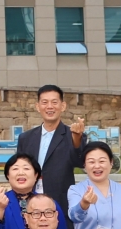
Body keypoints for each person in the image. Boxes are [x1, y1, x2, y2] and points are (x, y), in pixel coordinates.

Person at [17, 84, 85, 219]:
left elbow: (79, 161)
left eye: (54, 102)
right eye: (45, 102)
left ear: (63, 106)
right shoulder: (26, 138)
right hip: (30, 203)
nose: (49, 106)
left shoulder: (72, 134)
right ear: (38, 106)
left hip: (59, 204)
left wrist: (77, 138)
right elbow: (19, 169)